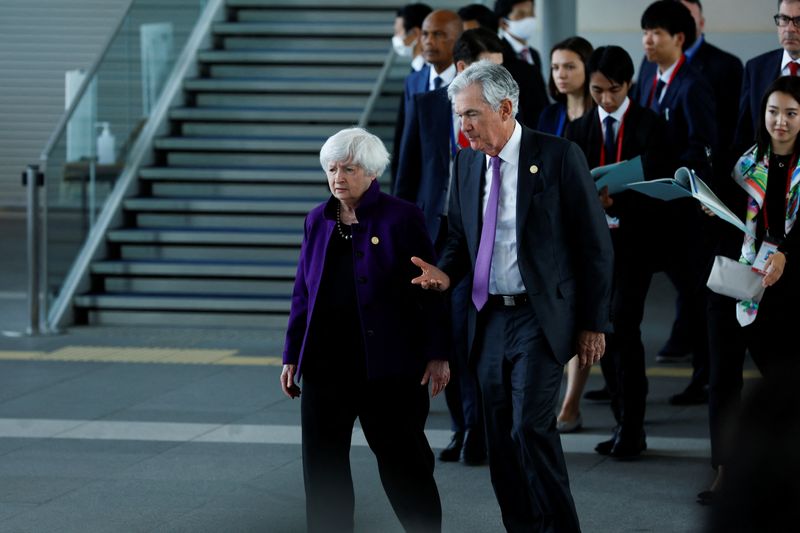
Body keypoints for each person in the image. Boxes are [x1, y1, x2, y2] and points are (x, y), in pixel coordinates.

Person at [412, 60, 614, 533]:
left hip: (540, 317)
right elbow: (460, 240)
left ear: (505, 108)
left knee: (530, 427)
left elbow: (595, 247)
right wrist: (444, 273)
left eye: (471, 116)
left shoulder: (559, 156)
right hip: (487, 318)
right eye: (459, 117)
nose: (463, 129)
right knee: (500, 439)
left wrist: (593, 321)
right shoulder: (465, 163)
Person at [281, 127, 450, 532]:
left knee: (404, 461)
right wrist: (291, 356)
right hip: (325, 366)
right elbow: (302, 293)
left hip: (389, 367)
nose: (338, 177)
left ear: (371, 173)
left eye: (349, 168)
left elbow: (430, 289)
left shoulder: (402, 216)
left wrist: (439, 352)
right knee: (322, 467)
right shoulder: (316, 220)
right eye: (332, 168)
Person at [606, 0, 716, 458]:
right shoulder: (648, 80)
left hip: (682, 220)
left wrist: (653, 169)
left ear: (680, 39)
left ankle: (707, 380)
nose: (648, 40)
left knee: (701, 302)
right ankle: (631, 418)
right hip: (647, 219)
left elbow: (701, 148)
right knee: (626, 316)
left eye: (657, 33)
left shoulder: (692, 86)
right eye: (645, 31)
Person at [395, 28, 509, 466]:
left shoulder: (502, 112)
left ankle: (478, 428)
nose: (498, 77)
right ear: (462, 69)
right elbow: (407, 173)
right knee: (440, 336)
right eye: (488, 68)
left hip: (476, 240)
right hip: (429, 234)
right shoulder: (426, 106)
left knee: (468, 335)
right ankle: (463, 425)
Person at [701, 76, 800, 506]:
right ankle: (725, 470)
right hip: (733, 283)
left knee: (785, 380)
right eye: (773, 111)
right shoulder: (742, 163)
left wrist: (786, 253)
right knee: (722, 379)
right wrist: (710, 207)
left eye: (791, 113)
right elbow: (725, 220)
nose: (780, 121)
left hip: (784, 288)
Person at [566, 46, 670, 456]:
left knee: (624, 329)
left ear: (629, 85)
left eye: (614, 90)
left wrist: (619, 202)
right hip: (593, 251)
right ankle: (620, 420)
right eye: (597, 90)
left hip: (634, 246)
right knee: (601, 331)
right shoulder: (577, 130)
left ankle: (633, 426)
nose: (606, 99)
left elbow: (664, 186)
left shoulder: (651, 126)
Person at [392, 9, 461, 183]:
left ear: (459, 39)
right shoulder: (412, 81)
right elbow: (406, 141)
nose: (429, 41)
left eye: (438, 34)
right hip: (423, 190)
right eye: (425, 35)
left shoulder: (469, 82)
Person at [735, 0, 800, 153]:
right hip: (764, 171)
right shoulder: (756, 68)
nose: (789, 29)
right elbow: (744, 132)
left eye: (798, 21)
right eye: (784, 19)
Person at [537, 37, 594, 137]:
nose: (560, 75)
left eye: (569, 67)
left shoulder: (601, 113)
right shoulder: (549, 115)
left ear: (588, 68)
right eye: (555, 68)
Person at [392, 3, 433, 73]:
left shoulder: (430, 72)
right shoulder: (417, 67)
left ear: (415, 33)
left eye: (398, 32)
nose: (395, 37)